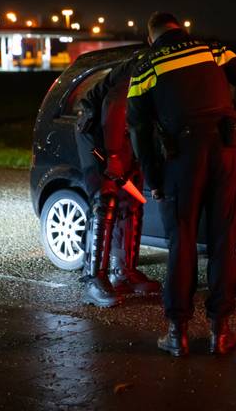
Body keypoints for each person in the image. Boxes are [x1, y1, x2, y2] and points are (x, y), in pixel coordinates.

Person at [126, 12, 236, 356]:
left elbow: (138, 130)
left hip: (182, 158)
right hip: (227, 151)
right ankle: (220, 333)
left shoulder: (148, 66)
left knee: (182, 241)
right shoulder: (213, 49)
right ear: (181, 28)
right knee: (224, 241)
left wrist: (154, 180)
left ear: (152, 37)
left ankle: (177, 333)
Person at [75, 55, 161, 308]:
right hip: (98, 132)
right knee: (106, 197)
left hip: (123, 130)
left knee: (131, 200)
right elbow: (115, 105)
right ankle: (94, 279)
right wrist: (112, 156)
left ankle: (124, 272)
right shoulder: (145, 65)